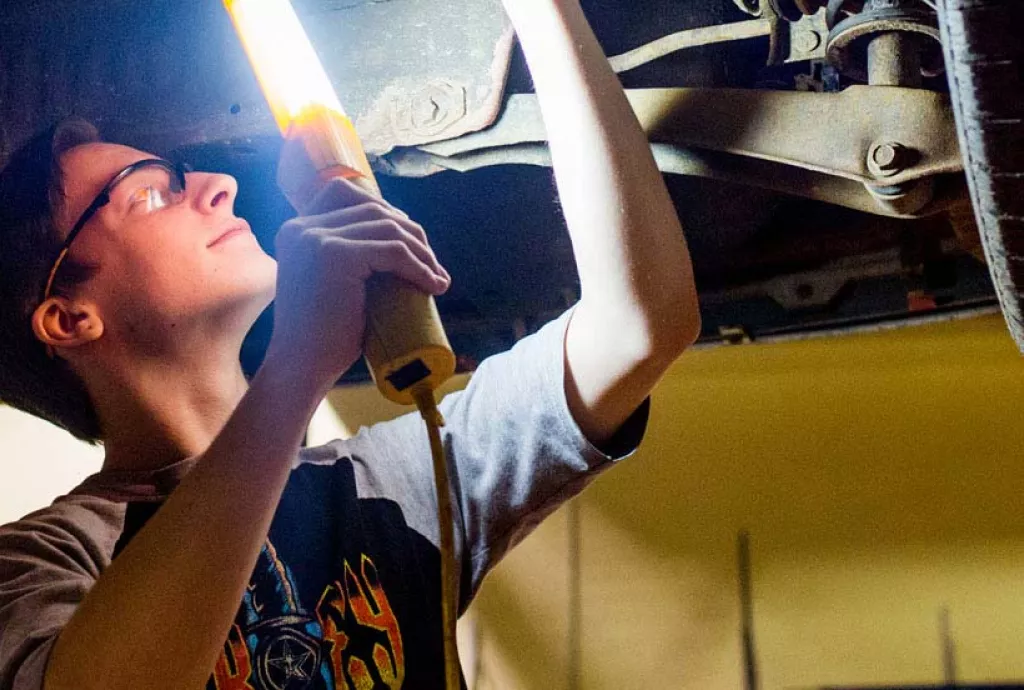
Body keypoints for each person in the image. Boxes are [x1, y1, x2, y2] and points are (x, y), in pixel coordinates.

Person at [0, 0, 699, 688]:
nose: (219, 184)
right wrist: (297, 366)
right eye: (148, 194)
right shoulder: (44, 560)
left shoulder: (392, 484)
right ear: (68, 319)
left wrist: (545, 14)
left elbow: (639, 325)